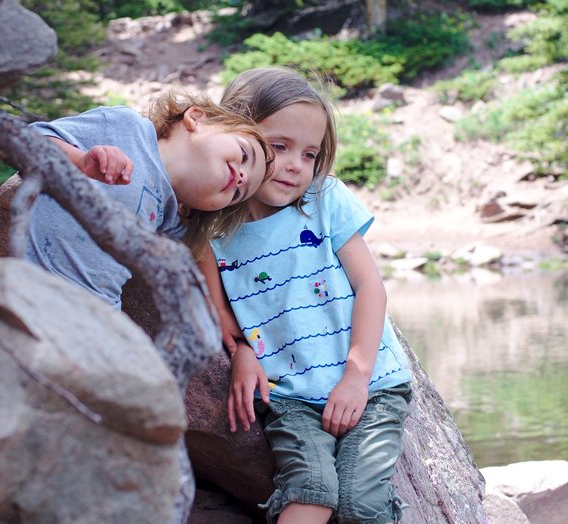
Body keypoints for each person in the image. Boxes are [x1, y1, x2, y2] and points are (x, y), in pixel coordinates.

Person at [197, 66, 412, 524]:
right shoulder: (213, 231)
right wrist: (241, 352)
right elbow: (218, 310)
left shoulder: (324, 199)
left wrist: (356, 376)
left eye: (310, 153)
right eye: (279, 147)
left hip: (371, 389)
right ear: (239, 138)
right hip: (291, 395)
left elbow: (370, 286)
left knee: (361, 507)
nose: (297, 164)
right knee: (310, 490)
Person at [26, 86, 271, 309]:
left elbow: (202, 257)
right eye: (244, 154)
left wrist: (221, 313)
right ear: (196, 118)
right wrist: (80, 161)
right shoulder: (126, 126)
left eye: (238, 194)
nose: (241, 177)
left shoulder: (170, 217)